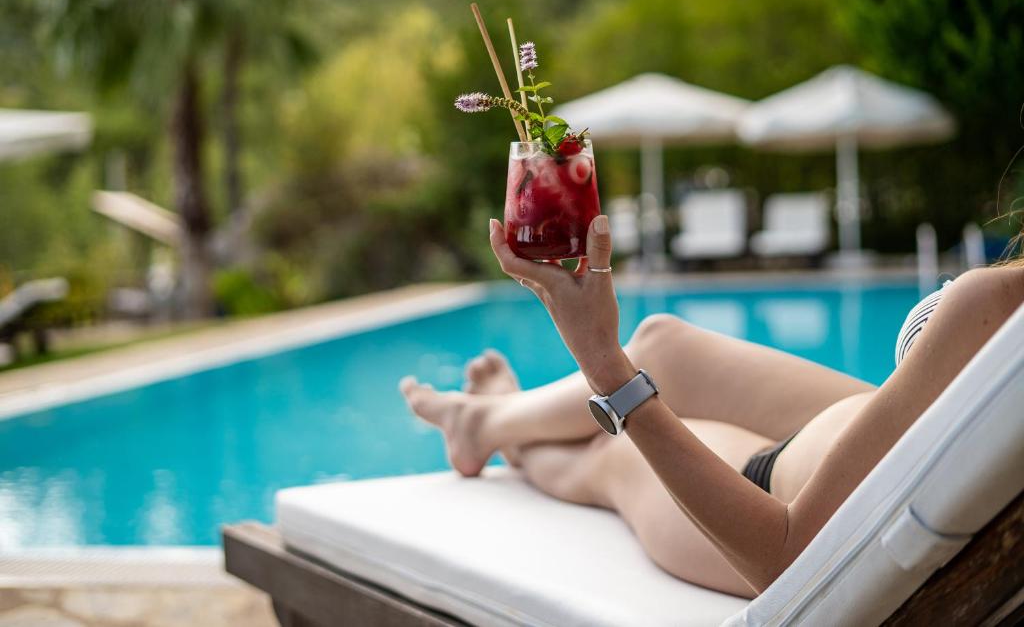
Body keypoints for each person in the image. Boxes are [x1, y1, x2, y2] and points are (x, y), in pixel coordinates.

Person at [399, 214, 1024, 598]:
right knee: (665, 345)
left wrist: (602, 362)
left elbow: (787, 559)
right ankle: (484, 420)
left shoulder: (995, 301)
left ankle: (495, 429)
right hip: (873, 430)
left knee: (608, 446)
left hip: (779, 497)